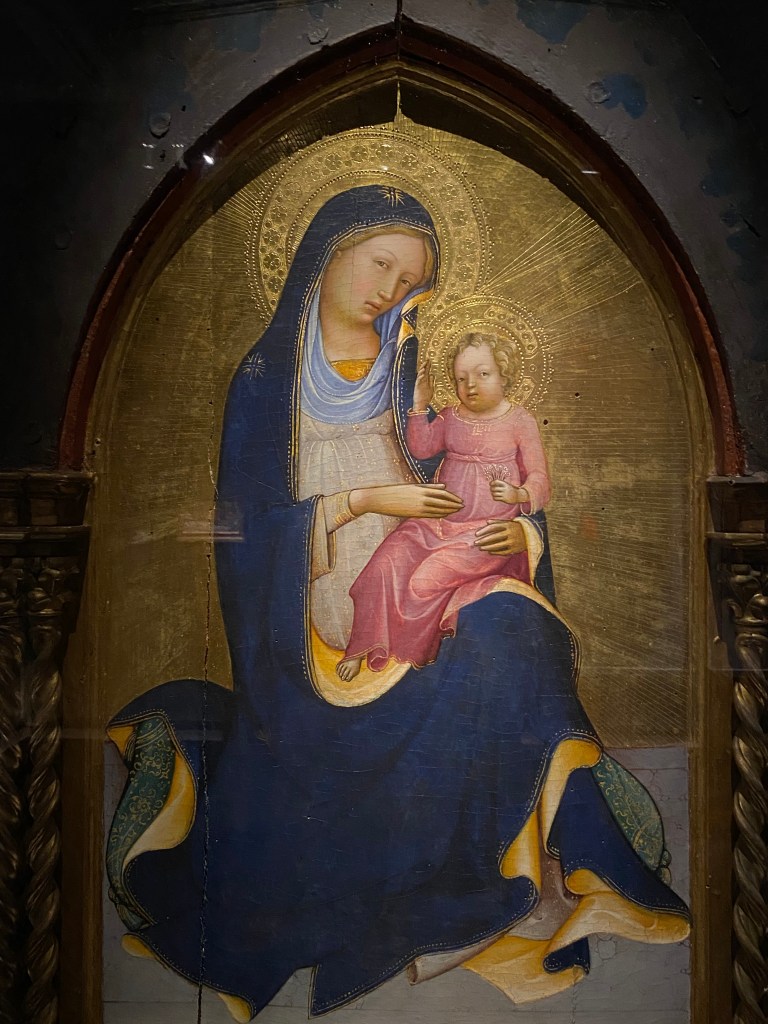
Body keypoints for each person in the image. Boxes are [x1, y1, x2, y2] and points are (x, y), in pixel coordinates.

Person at [106, 185, 690, 1023]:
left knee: (516, 628)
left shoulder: (412, 361)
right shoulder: (267, 381)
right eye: (381, 263)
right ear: (328, 250)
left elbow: (479, 474)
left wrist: (519, 536)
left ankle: (568, 874)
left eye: (409, 280)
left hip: (432, 582)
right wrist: (366, 501)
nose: (388, 290)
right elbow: (244, 540)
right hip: (308, 629)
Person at [338, 332, 551, 679]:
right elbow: (422, 448)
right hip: (436, 525)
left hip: (482, 536)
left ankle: (412, 657)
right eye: (461, 378)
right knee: (384, 563)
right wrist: (420, 406)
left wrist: (519, 495)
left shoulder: (519, 421)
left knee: (424, 582)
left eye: (482, 374)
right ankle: (361, 646)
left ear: (505, 375)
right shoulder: (452, 416)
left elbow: (540, 477)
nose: (470, 385)